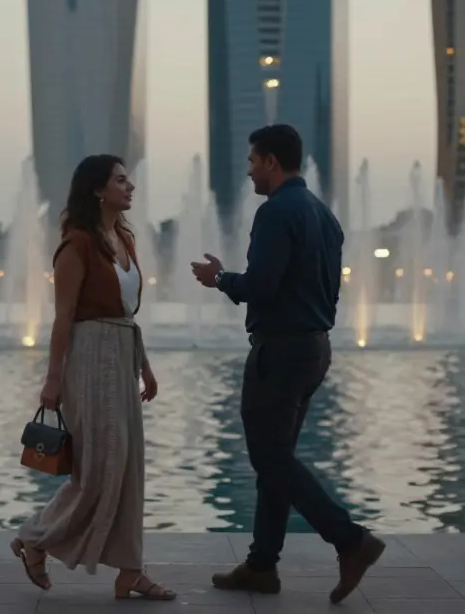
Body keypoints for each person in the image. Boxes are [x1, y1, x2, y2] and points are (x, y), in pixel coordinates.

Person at [190, 124, 385, 605]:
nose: (251, 171)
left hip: (281, 350)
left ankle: (350, 540)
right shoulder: (324, 215)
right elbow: (329, 291)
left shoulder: (276, 212)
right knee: (274, 458)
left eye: (254, 161)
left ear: (273, 162)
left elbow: (263, 285)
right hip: (315, 346)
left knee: (270, 457)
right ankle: (261, 566)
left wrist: (220, 279)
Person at [11, 154, 176, 602]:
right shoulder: (77, 244)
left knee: (129, 468)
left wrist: (144, 366)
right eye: (121, 180)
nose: (131, 187)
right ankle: (34, 537)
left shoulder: (121, 238)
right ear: (98, 190)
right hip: (89, 361)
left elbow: (125, 313)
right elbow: (63, 317)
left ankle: (130, 572)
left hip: (121, 356)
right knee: (100, 468)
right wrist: (52, 380)